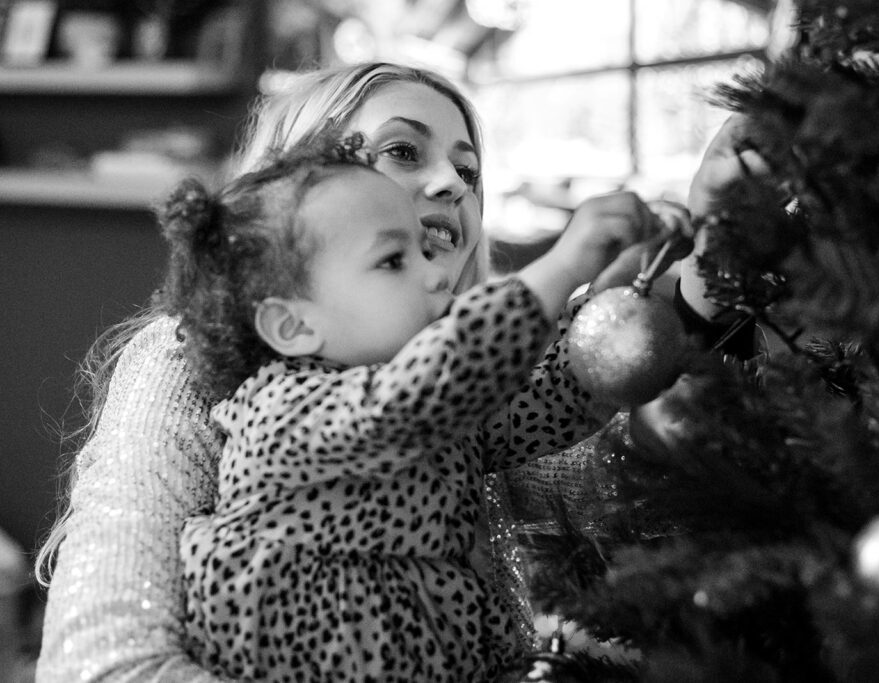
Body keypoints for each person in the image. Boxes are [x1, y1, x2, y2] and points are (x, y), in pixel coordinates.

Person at [33, 61, 752, 680]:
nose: (452, 183)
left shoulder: (461, 380)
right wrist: (559, 270)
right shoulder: (273, 386)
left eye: (468, 170)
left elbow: (569, 406)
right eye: (403, 152)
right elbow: (102, 660)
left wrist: (689, 282)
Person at [159, 128, 671, 681]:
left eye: (423, 251)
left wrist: (612, 297)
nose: (433, 274)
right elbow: (430, 382)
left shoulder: (432, 400)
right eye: (393, 261)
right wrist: (560, 267)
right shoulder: (285, 410)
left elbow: (549, 402)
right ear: (293, 324)